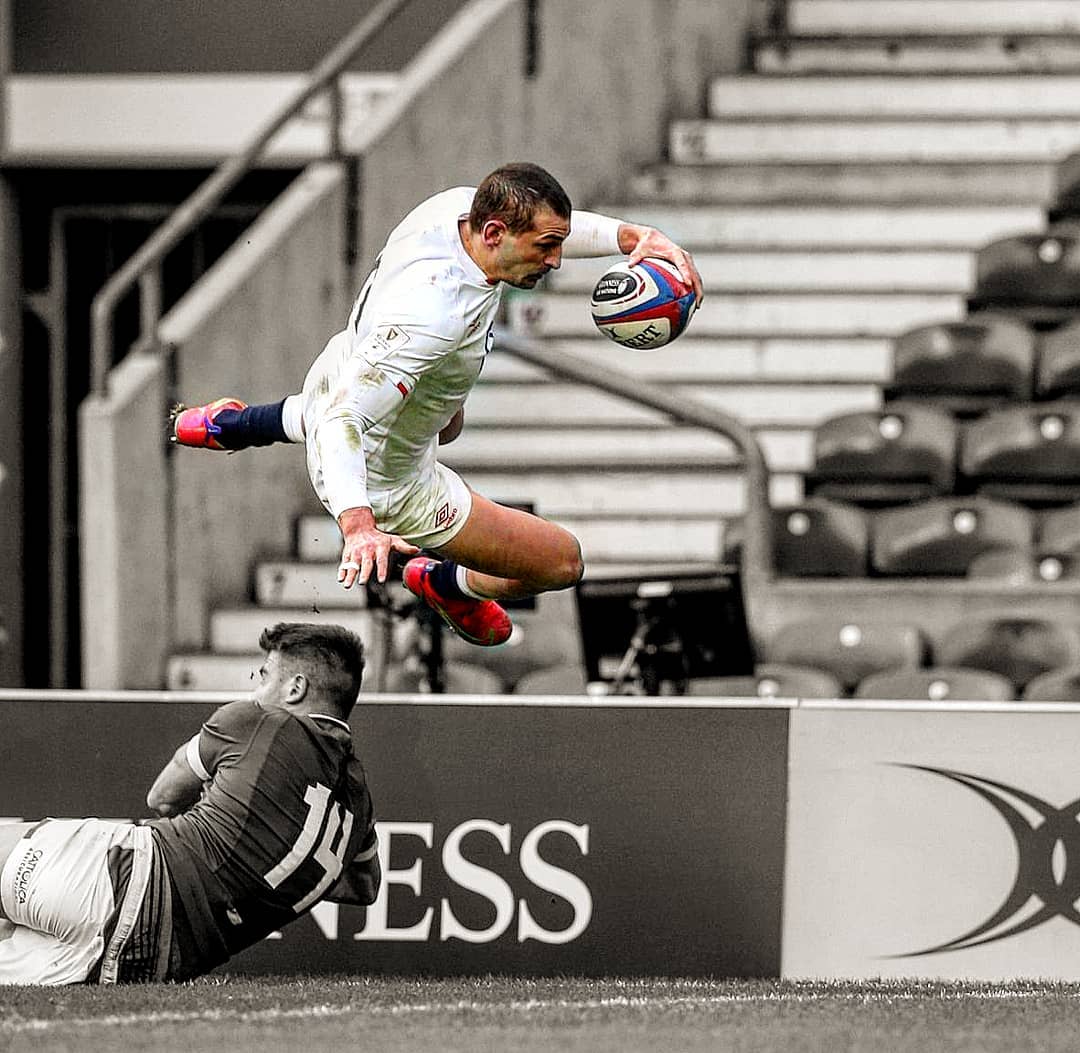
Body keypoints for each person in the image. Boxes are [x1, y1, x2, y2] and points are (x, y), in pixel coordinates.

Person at [171, 162, 704, 648]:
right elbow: (342, 421)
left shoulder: (454, 209)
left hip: (344, 364)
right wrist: (358, 524)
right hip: (383, 477)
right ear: (495, 233)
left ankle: (233, 425)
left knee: (443, 421)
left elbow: (552, 227)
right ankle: (445, 583)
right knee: (562, 561)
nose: (557, 260)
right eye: (545, 247)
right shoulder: (431, 318)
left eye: (557, 244)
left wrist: (636, 236)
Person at [0, 622, 379, 985]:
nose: (255, 691)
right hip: (151, 961)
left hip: (121, 876)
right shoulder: (359, 799)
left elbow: (162, 797)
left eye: (264, 676)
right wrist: (269, 849)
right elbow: (363, 887)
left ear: (295, 688)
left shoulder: (255, 722)